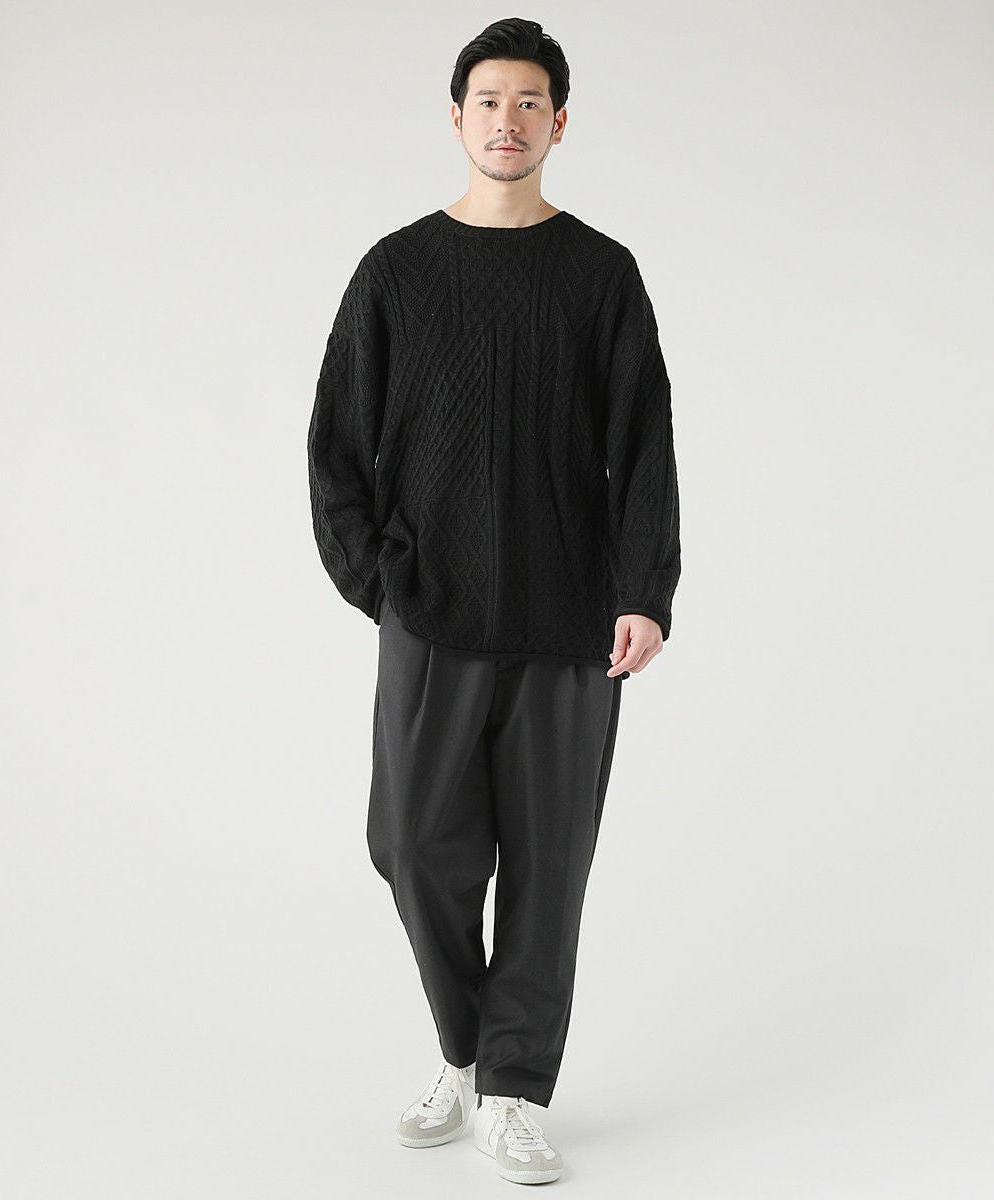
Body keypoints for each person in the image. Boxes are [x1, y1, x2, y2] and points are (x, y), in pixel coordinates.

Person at [306, 17, 681, 1186]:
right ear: (455, 117)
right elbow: (335, 445)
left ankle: (511, 1090)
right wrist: (381, 584)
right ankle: (470, 1051)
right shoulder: (398, 271)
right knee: (410, 845)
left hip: (572, 619)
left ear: (558, 122)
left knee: (546, 867)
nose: (506, 121)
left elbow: (644, 444)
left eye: (528, 103)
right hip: (434, 612)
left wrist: (644, 591)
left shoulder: (600, 273)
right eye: (487, 101)